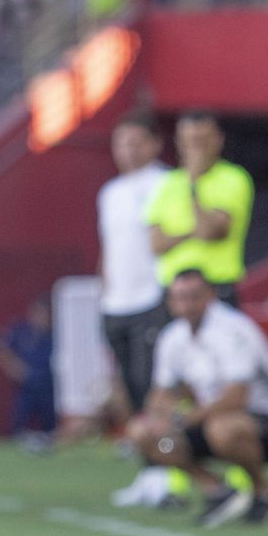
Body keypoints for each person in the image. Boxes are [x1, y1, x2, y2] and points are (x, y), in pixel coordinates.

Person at [125, 270, 268, 527]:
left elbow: (236, 399)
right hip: (202, 425)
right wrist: (161, 416)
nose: (187, 305)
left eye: (194, 296)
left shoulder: (233, 330)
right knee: (145, 433)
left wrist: (184, 419)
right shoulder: (172, 336)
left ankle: (262, 491)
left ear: (211, 296)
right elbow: (162, 391)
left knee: (223, 429)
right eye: (179, 298)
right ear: (170, 301)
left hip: (258, 426)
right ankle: (217, 489)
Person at [99, 117, 169, 421]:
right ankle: (144, 439)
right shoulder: (110, 192)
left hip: (152, 296)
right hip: (115, 301)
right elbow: (109, 246)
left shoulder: (167, 183)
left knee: (150, 379)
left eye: (136, 142)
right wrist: (104, 287)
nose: (128, 150)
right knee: (128, 381)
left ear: (155, 144)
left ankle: (162, 440)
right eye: (121, 143)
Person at [146, 113, 253, 306]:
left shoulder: (233, 178)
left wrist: (194, 184)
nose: (196, 148)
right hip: (174, 290)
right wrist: (191, 234)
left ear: (219, 139)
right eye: (191, 141)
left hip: (216, 287)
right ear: (178, 142)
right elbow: (156, 244)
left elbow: (209, 231)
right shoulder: (166, 183)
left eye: (202, 141)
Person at [0, 295, 56, 453]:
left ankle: (44, 446)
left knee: (51, 426)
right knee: (18, 425)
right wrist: (14, 368)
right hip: (26, 387)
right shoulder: (21, 331)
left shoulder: (56, 334)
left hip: (49, 386)